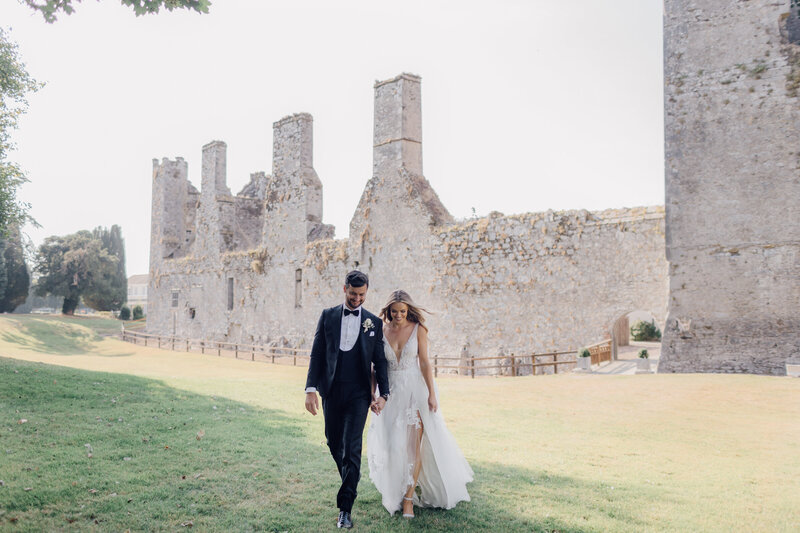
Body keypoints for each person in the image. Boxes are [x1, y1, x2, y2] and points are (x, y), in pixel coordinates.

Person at [367, 289, 473, 518]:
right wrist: (373, 394)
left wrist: (432, 394)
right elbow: (376, 367)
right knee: (391, 445)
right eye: (394, 311)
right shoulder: (380, 331)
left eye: (403, 311)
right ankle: (394, 491)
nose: (398, 315)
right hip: (389, 393)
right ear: (388, 311)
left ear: (409, 310)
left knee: (412, 447)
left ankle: (408, 500)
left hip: (415, 391)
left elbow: (424, 363)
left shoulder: (419, 330)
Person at [304, 270, 390, 529]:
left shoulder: (373, 323)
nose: (357, 299)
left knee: (352, 448)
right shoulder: (328, 316)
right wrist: (310, 389)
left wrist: (383, 394)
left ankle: (345, 508)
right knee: (333, 442)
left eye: (362, 295)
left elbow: (381, 361)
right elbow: (317, 353)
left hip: (359, 394)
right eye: (353, 294)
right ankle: (351, 478)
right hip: (331, 390)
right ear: (344, 289)